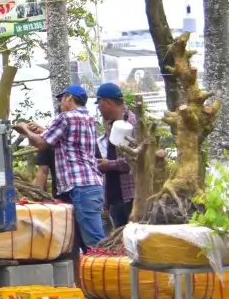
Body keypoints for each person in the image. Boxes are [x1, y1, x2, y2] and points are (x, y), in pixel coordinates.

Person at [15, 84, 105, 252]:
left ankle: (110, 274)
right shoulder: (90, 119)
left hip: (79, 186)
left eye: (62, 99)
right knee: (88, 240)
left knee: (94, 241)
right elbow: (66, 140)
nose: (60, 103)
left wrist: (25, 130)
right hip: (91, 184)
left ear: (69, 98)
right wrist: (43, 130)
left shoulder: (65, 118)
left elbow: (42, 144)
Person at [94, 82, 140, 229]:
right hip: (115, 195)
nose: (99, 109)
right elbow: (112, 151)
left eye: (99, 104)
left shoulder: (131, 123)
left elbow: (134, 159)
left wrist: (109, 165)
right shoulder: (111, 123)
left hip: (130, 195)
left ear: (107, 102)